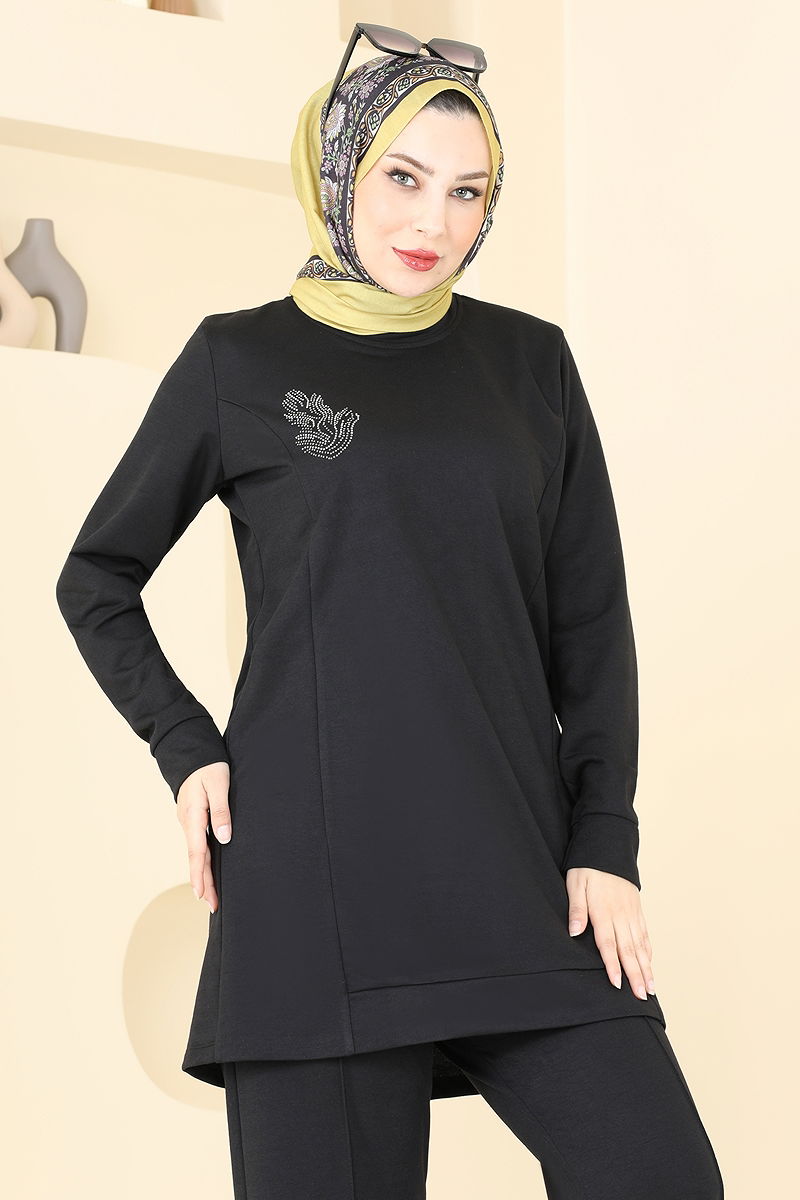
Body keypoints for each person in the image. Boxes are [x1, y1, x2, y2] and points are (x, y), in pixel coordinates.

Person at [55, 25, 725, 1200]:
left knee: (658, 1177)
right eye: (402, 178)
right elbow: (95, 576)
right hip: (311, 887)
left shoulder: (529, 366)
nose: (433, 222)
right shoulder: (237, 361)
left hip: (518, 873)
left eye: (466, 191)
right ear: (337, 174)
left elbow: (589, 627)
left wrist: (603, 840)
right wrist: (184, 742)